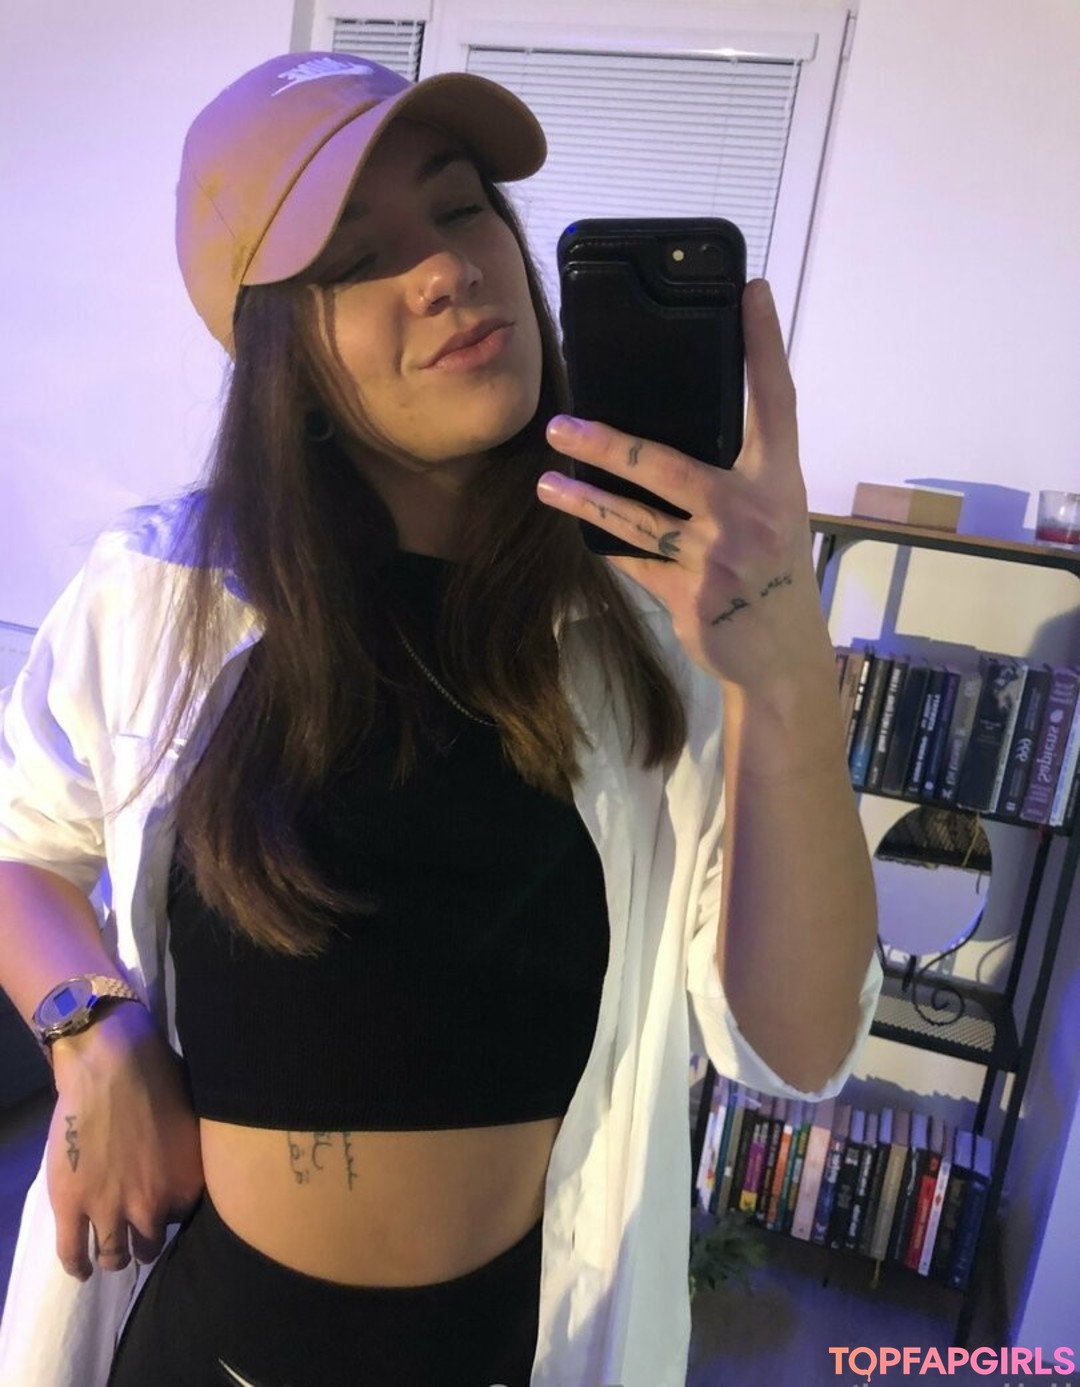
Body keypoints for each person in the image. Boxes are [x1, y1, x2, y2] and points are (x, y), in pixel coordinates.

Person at [0, 49, 881, 1387]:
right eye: (359, 256)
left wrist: (789, 675)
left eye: (463, 207)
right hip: (202, 1345)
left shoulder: (655, 619)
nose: (449, 269)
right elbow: (25, 851)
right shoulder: (163, 592)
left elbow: (799, 1048)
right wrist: (92, 1032)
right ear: (277, 348)